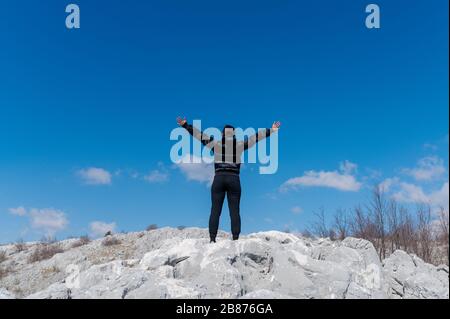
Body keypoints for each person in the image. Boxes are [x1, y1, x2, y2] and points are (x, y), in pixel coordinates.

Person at [176, 117, 281, 242]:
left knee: (215, 210)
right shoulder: (240, 145)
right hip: (234, 179)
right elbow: (255, 138)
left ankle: (212, 239)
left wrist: (185, 125)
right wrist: (272, 130)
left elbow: (199, 135)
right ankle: (235, 239)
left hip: (219, 179)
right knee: (235, 211)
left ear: (222, 134)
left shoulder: (215, 144)